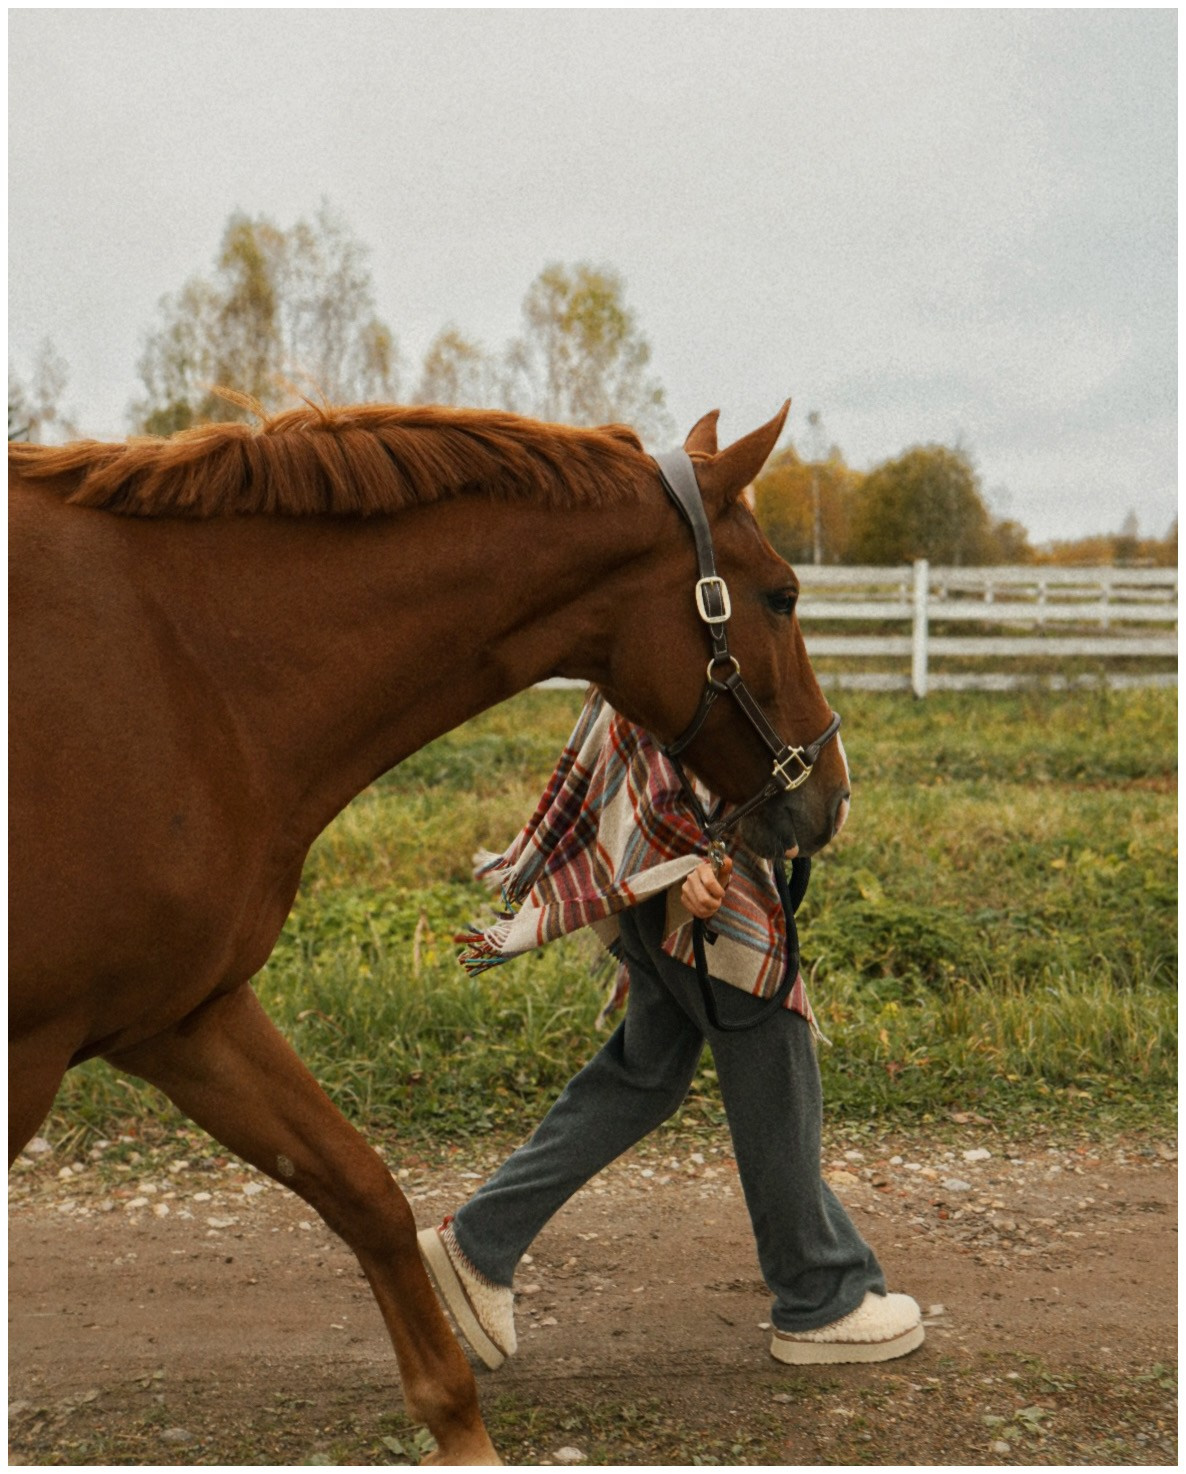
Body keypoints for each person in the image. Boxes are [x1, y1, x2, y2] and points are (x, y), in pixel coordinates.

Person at [418, 690, 923, 1370]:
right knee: (775, 1071)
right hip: (697, 895)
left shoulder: (657, 601)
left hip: (659, 884)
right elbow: (669, 735)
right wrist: (686, 860)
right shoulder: (679, 595)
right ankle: (822, 1296)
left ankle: (478, 1244)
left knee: (642, 1076)